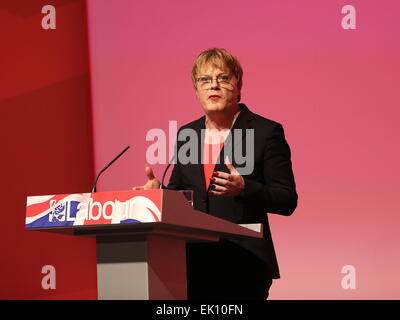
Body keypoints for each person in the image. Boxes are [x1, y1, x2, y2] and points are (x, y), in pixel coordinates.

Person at [134, 48, 298, 300]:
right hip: (193, 261)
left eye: (224, 78)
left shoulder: (266, 132)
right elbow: (182, 196)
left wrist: (245, 188)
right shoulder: (188, 134)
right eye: (205, 80)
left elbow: (287, 200)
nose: (214, 86)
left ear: (238, 86)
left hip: (244, 262)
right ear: (196, 89)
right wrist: (159, 194)